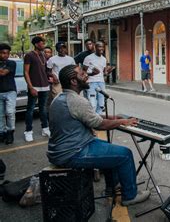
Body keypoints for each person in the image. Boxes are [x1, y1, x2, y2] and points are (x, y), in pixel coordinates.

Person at [47, 64, 150, 206]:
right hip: (72, 153)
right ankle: (130, 196)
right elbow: (99, 124)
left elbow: (89, 116)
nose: (86, 75)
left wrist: (114, 117)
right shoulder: (77, 101)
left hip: (61, 150)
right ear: (74, 81)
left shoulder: (60, 98)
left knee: (110, 148)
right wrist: (123, 122)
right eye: (82, 74)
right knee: (125, 155)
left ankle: (113, 186)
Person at [24, 36, 50, 142]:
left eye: (44, 42)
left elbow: (44, 70)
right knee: (30, 110)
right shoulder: (29, 55)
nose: (43, 44)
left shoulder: (43, 55)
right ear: (36, 44)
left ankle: (45, 129)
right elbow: (26, 72)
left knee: (43, 109)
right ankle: (28, 131)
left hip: (45, 86)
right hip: (34, 86)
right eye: (41, 43)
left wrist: (52, 76)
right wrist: (31, 87)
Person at [83, 41, 114, 115]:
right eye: (99, 46)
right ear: (95, 47)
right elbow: (83, 73)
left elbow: (103, 73)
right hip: (91, 83)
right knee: (92, 104)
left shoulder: (104, 59)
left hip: (101, 83)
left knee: (101, 104)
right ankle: (91, 121)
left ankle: (98, 122)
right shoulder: (88, 58)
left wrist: (108, 72)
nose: (101, 48)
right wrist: (92, 73)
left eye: (102, 47)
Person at [0, 43, 16, 145]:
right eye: (2, 53)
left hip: (10, 91)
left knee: (10, 113)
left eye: (6, 53)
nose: (4, 55)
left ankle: (10, 132)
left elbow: (3, 73)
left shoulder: (11, 63)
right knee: (0, 115)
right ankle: (2, 133)